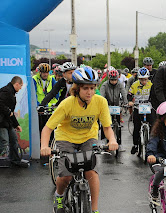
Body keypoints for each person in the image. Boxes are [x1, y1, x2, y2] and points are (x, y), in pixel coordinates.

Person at [40, 67, 118, 213]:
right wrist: (45, 146)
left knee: (91, 173)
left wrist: (112, 140)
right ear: (77, 88)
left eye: (92, 88)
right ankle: (59, 195)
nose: (89, 92)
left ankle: (94, 210)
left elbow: (107, 127)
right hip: (66, 138)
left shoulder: (100, 102)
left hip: (88, 138)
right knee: (67, 176)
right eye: (85, 88)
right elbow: (47, 128)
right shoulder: (67, 104)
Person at [128, 67, 154, 154]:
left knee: (153, 125)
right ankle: (135, 145)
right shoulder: (134, 85)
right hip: (138, 107)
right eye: (142, 80)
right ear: (139, 78)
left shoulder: (151, 84)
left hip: (149, 107)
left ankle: (154, 144)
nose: (144, 81)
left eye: (145, 79)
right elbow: (129, 94)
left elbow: (155, 94)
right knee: (136, 127)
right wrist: (130, 101)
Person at [100, 69, 128, 152]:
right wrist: (103, 104)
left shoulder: (119, 84)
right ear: (109, 79)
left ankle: (119, 143)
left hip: (117, 105)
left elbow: (123, 93)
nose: (114, 82)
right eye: (112, 80)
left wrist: (125, 102)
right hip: (107, 105)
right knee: (105, 123)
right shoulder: (104, 85)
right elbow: (102, 95)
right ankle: (103, 139)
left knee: (118, 124)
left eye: (115, 80)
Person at [0, 76, 24, 165]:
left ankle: (15, 160)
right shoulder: (6, 91)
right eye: (20, 86)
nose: (21, 88)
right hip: (1, 122)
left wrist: (16, 124)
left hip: (7, 122)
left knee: (14, 140)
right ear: (16, 84)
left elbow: (11, 112)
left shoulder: (11, 92)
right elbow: (1, 104)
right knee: (4, 142)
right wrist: (8, 111)